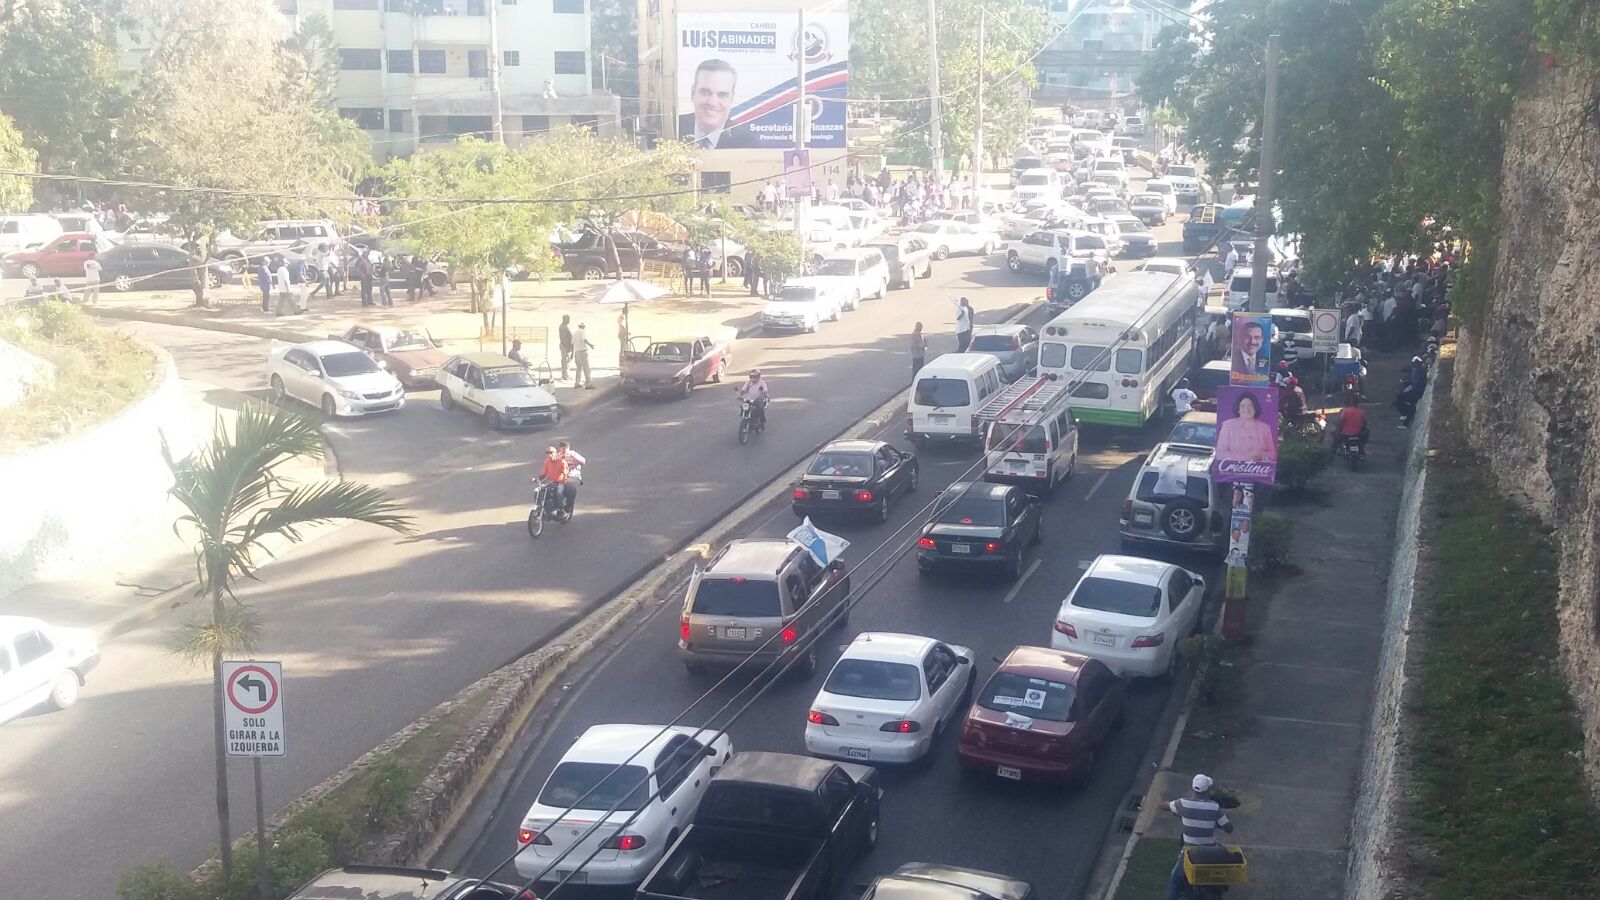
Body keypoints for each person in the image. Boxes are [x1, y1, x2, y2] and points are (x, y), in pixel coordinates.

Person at [1163, 774, 1235, 900]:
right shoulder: (1215, 807)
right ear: (1208, 790)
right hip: (1211, 850)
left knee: (1175, 881)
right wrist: (1218, 824)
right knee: (1223, 852)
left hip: (1189, 851)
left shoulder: (1183, 803)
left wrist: (1161, 805)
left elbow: (1166, 806)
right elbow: (1229, 829)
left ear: (1193, 789)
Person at [678, 59, 759, 149]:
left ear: (732, 98)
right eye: (706, 92)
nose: (713, 102)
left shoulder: (747, 144)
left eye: (722, 95)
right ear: (693, 93)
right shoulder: (671, 130)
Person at [1215, 392, 1276, 462]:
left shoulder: (1265, 428)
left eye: (1250, 405)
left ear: (1255, 408)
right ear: (1238, 409)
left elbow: (1273, 454)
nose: (1246, 409)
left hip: (1258, 468)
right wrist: (1246, 458)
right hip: (1234, 467)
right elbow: (1220, 453)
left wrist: (1260, 455)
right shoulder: (1228, 425)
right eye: (1242, 406)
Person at [536, 446, 569, 517]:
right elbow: (543, 474)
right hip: (550, 482)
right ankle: (541, 508)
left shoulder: (562, 462)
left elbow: (565, 474)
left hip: (560, 483)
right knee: (537, 492)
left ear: (556, 453)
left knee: (558, 493)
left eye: (551, 453)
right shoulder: (547, 462)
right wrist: (538, 479)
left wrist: (562, 481)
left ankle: (561, 510)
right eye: (548, 453)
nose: (550, 455)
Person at [555, 440, 585, 516]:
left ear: (568, 448)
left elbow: (583, 462)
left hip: (572, 475)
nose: (564, 450)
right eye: (562, 448)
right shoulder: (557, 456)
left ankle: (569, 506)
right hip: (560, 477)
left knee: (570, 488)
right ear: (560, 448)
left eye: (566, 448)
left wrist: (573, 456)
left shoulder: (573, 454)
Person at [573, 322, 595, 389]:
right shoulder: (583, 332)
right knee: (586, 368)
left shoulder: (575, 333)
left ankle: (577, 383)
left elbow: (572, 343)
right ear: (584, 327)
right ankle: (588, 384)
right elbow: (584, 340)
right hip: (582, 351)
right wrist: (590, 345)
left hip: (576, 351)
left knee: (579, 368)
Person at [558, 314, 574, 380]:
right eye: (568, 319)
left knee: (566, 361)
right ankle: (565, 376)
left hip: (566, 346)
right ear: (564, 319)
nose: (569, 321)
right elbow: (563, 338)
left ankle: (566, 375)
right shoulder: (563, 327)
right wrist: (567, 348)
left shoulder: (564, 326)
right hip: (565, 346)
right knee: (566, 361)